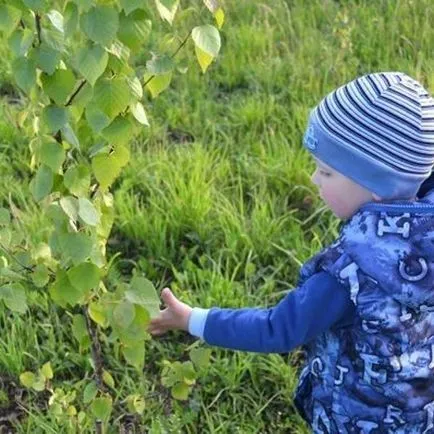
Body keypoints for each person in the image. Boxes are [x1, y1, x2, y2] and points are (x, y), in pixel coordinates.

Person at [148, 72, 434, 433]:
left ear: (376, 186)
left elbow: (277, 329)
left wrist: (191, 319)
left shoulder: (349, 275)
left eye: (326, 172)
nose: (313, 179)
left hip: (358, 420)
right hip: (418, 412)